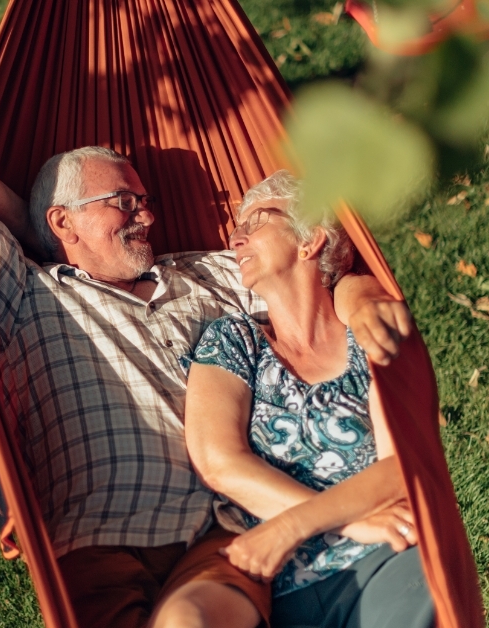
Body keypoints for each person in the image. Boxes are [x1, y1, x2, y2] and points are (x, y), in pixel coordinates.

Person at [0, 143, 414, 628]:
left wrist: (364, 299)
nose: (146, 216)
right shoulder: (22, 292)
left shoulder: (207, 274)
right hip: (96, 542)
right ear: (63, 220)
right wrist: (42, 231)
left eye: (146, 203)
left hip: (219, 530)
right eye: (123, 203)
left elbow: (310, 273)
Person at [152, 171, 434, 628]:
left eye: (257, 220)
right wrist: (346, 521)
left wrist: (292, 526)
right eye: (236, 226)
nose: (235, 237)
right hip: (277, 584)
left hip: (387, 555)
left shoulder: (368, 333)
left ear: (310, 241)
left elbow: (403, 466)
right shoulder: (233, 340)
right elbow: (220, 462)